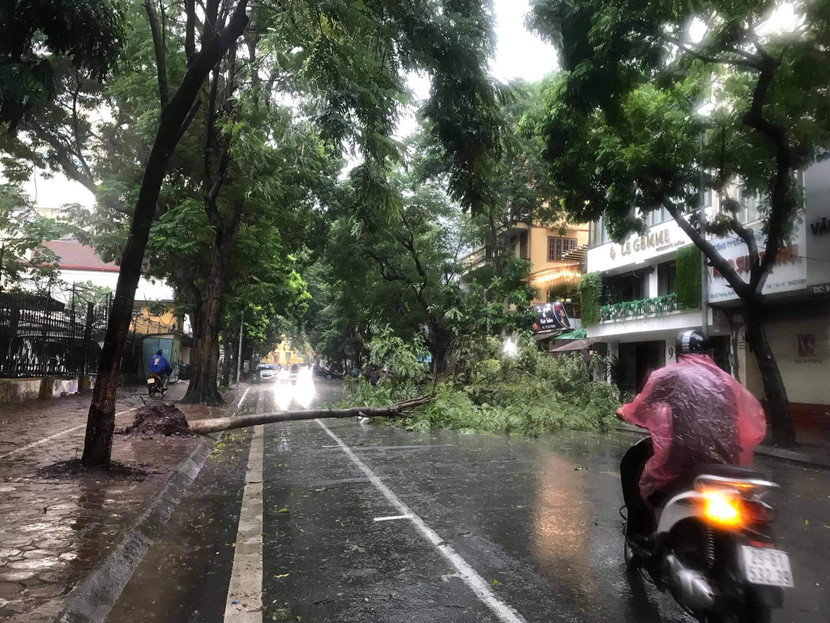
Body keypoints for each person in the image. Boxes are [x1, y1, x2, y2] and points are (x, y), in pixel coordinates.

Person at [617, 330, 766, 539]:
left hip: (683, 461)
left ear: (678, 354)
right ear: (710, 354)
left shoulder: (668, 376)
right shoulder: (725, 381)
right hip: (728, 464)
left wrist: (623, 412)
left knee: (633, 465)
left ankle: (640, 530)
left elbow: (639, 409)